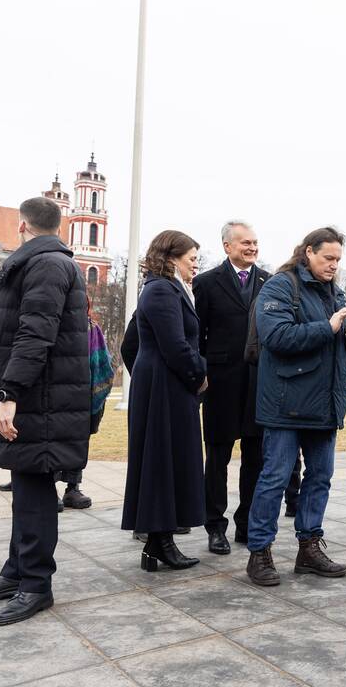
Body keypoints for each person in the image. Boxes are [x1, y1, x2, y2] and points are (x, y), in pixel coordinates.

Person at [0, 197, 90, 626]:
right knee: (26, 489)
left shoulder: (48, 265)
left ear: (21, 226)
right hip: (40, 399)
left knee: (35, 494)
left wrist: (9, 394)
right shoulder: (40, 263)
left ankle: (36, 584)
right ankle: (16, 572)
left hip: (41, 401)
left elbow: (36, 333)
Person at [245, 227, 346, 587]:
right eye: (328, 258)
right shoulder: (280, 286)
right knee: (274, 479)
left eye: (338, 259)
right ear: (309, 252)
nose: (334, 265)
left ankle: (309, 548)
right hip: (285, 405)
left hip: (324, 405)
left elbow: (339, 349)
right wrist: (329, 326)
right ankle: (259, 552)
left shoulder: (336, 293)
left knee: (320, 477)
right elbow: (276, 337)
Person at [122, 230, 207, 571]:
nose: (195, 265)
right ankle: (161, 543)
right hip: (164, 387)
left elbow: (134, 347)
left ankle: (158, 545)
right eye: (191, 259)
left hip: (164, 384)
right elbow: (174, 345)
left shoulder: (167, 288)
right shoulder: (160, 290)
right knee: (160, 462)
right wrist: (199, 375)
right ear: (172, 258)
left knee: (166, 463)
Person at [193, 221, 268, 554]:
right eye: (244, 243)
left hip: (257, 384)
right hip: (220, 383)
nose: (251, 247)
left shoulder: (270, 282)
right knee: (218, 458)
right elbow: (196, 334)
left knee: (255, 458)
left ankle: (246, 523)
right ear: (227, 246)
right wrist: (201, 373)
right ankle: (215, 526)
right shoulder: (206, 283)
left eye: (255, 242)